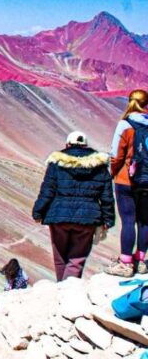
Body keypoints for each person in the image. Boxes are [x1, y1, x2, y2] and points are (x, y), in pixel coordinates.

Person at [32, 131, 115, 281]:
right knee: (77, 260)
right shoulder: (100, 164)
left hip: (59, 217)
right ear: (86, 145)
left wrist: (38, 212)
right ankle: (68, 289)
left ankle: (61, 289)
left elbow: (47, 190)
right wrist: (108, 219)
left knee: (60, 258)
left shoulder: (57, 162)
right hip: (88, 218)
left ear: (67, 145)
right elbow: (106, 196)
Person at [106, 89, 148, 277]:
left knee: (129, 221)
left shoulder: (125, 125)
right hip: (147, 181)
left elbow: (116, 156)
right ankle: (140, 261)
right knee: (145, 221)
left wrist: (114, 173)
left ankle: (125, 263)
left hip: (126, 181)